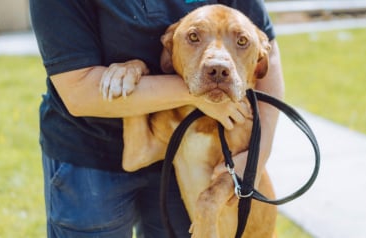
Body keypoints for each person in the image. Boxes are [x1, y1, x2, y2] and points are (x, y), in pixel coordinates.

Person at [30, 0, 284, 237]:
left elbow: (268, 49)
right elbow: (78, 92)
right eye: (194, 37)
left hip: (168, 171)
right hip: (88, 156)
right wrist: (142, 74)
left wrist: (257, 157)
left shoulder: (235, 119)